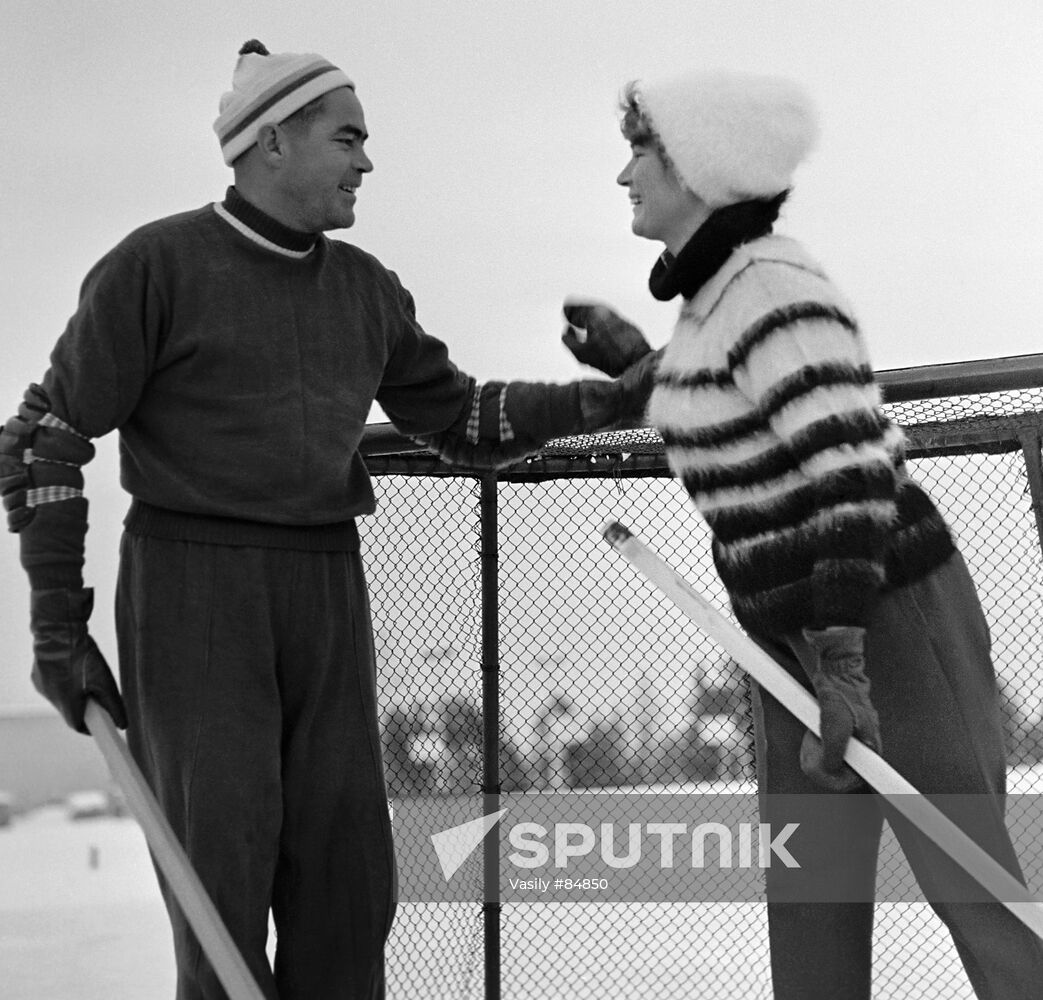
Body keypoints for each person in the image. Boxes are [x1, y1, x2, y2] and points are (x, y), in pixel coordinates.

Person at [0, 41, 658, 1000]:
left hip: (323, 586)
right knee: (219, 883)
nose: (366, 162)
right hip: (195, 591)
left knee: (347, 885)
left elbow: (461, 418)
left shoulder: (364, 287)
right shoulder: (155, 267)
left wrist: (603, 402)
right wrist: (58, 628)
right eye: (348, 138)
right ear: (270, 141)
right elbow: (45, 436)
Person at [562, 69, 1043, 999]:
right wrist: (638, 366)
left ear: (697, 170)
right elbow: (745, 420)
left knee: (971, 884)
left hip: (879, 613)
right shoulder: (715, 303)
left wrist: (844, 659)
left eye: (639, 153)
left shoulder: (772, 284)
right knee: (811, 905)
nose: (624, 177)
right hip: (792, 636)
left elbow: (849, 468)